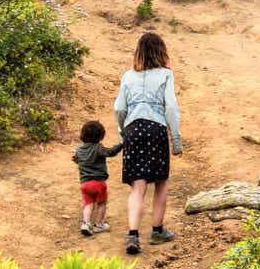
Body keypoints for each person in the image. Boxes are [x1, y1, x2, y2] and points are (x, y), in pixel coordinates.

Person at [114, 31, 183, 255]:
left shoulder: (128, 76)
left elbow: (119, 108)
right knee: (160, 182)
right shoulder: (165, 75)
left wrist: (123, 129)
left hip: (133, 129)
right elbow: (171, 107)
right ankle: (157, 230)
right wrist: (176, 137)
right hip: (156, 129)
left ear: (139, 52)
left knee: (137, 185)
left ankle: (132, 234)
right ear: (161, 51)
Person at [72, 120, 123, 236]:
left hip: (84, 184)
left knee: (88, 204)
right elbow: (110, 152)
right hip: (99, 183)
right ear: (100, 136)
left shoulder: (79, 150)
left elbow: (76, 159)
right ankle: (99, 225)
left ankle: (86, 223)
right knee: (101, 203)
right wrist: (121, 145)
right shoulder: (98, 148)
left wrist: (76, 160)